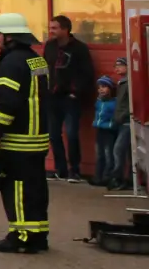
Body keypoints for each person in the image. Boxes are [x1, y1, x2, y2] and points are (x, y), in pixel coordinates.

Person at [0, 12, 51, 253]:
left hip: (18, 140)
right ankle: (39, 234)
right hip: (38, 138)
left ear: (9, 36)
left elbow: (8, 103)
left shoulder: (11, 63)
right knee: (36, 188)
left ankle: (22, 236)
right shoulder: (37, 60)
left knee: (18, 188)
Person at [42, 14, 94, 182]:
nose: (51, 31)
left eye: (54, 28)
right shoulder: (49, 46)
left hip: (70, 98)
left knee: (71, 134)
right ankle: (60, 169)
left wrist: (75, 92)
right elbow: (44, 67)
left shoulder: (79, 48)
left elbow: (87, 73)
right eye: (50, 28)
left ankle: (75, 171)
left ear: (65, 29)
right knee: (54, 134)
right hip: (52, 97)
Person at [92, 74, 121, 187]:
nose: (101, 89)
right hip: (100, 130)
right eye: (99, 87)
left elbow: (115, 116)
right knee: (99, 154)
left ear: (110, 88)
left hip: (109, 131)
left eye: (104, 86)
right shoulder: (99, 101)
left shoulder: (114, 103)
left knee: (109, 154)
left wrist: (112, 125)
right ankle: (98, 176)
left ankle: (107, 177)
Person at [111, 56, 133, 191]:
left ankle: (118, 178)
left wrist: (122, 116)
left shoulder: (129, 83)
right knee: (128, 152)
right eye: (116, 65)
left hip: (127, 123)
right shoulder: (121, 83)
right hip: (121, 122)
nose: (117, 68)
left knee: (118, 150)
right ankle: (128, 179)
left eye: (120, 65)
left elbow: (129, 104)